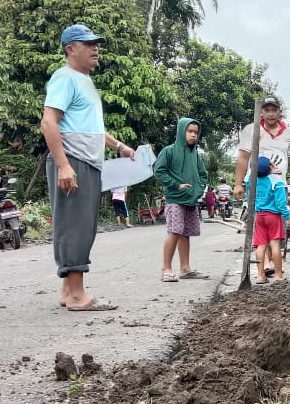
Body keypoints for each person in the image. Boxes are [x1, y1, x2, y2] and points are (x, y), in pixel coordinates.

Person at [40, 23, 135, 312]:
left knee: (79, 225)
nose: (95, 48)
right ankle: (79, 296)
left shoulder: (84, 82)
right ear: (70, 49)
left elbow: (91, 129)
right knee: (77, 227)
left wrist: (119, 146)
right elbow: (48, 122)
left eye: (96, 43)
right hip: (74, 161)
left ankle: (68, 290)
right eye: (87, 43)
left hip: (87, 161)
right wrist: (64, 165)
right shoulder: (65, 77)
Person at [234, 95, 290, 271]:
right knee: (260, 220)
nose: (270, 114)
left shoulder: (288, 133)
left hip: (278, 185)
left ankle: (272, 262)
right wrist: (238, 184)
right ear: (261, 112)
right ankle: (266, 263)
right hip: (257, 185)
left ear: (279, 112)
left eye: (274, 110)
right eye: (266, 110)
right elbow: (243, 157)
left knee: (275, 221)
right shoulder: (251, 130)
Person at [154, 117, 210, 282]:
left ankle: (185, 269)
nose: (193, 135)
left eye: (196, 132)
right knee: (175, 232)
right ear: (181, 131)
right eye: (189, 131)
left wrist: (198, 190)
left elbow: (203, 175)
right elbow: (159, 172)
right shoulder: (169, 151)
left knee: (186, 233)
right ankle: (166, 268)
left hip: (191, 200)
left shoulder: (196, 155)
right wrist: (176, 185)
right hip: (175, 199)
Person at [251, 156, 290, 283]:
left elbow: (250, 198)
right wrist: (287, 217)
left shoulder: (252, 181)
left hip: (260, 216)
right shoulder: (276, 181)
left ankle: (260, 276)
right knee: (275, 245)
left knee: (260, 246)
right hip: (273, 216)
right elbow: (280, 203)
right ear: (269, 167)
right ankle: (278, 276)